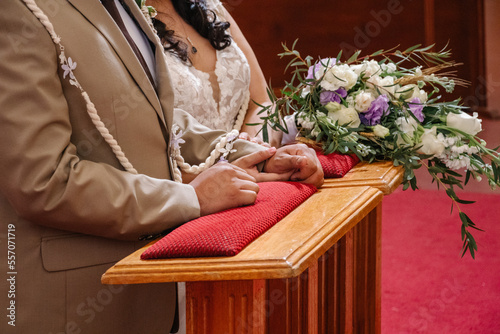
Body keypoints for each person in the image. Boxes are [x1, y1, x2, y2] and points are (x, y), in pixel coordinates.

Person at [0, 0, 322, 333]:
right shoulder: (17, 9)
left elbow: (155, 119)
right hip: (76, 302)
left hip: (157, 285)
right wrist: (189, 198)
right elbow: (43, 179)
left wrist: (257, 155)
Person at [147, 0, 284, 147]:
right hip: (188, 168)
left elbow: (263, 102)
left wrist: (252, 148)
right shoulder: (130, 25)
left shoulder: (209, 6)